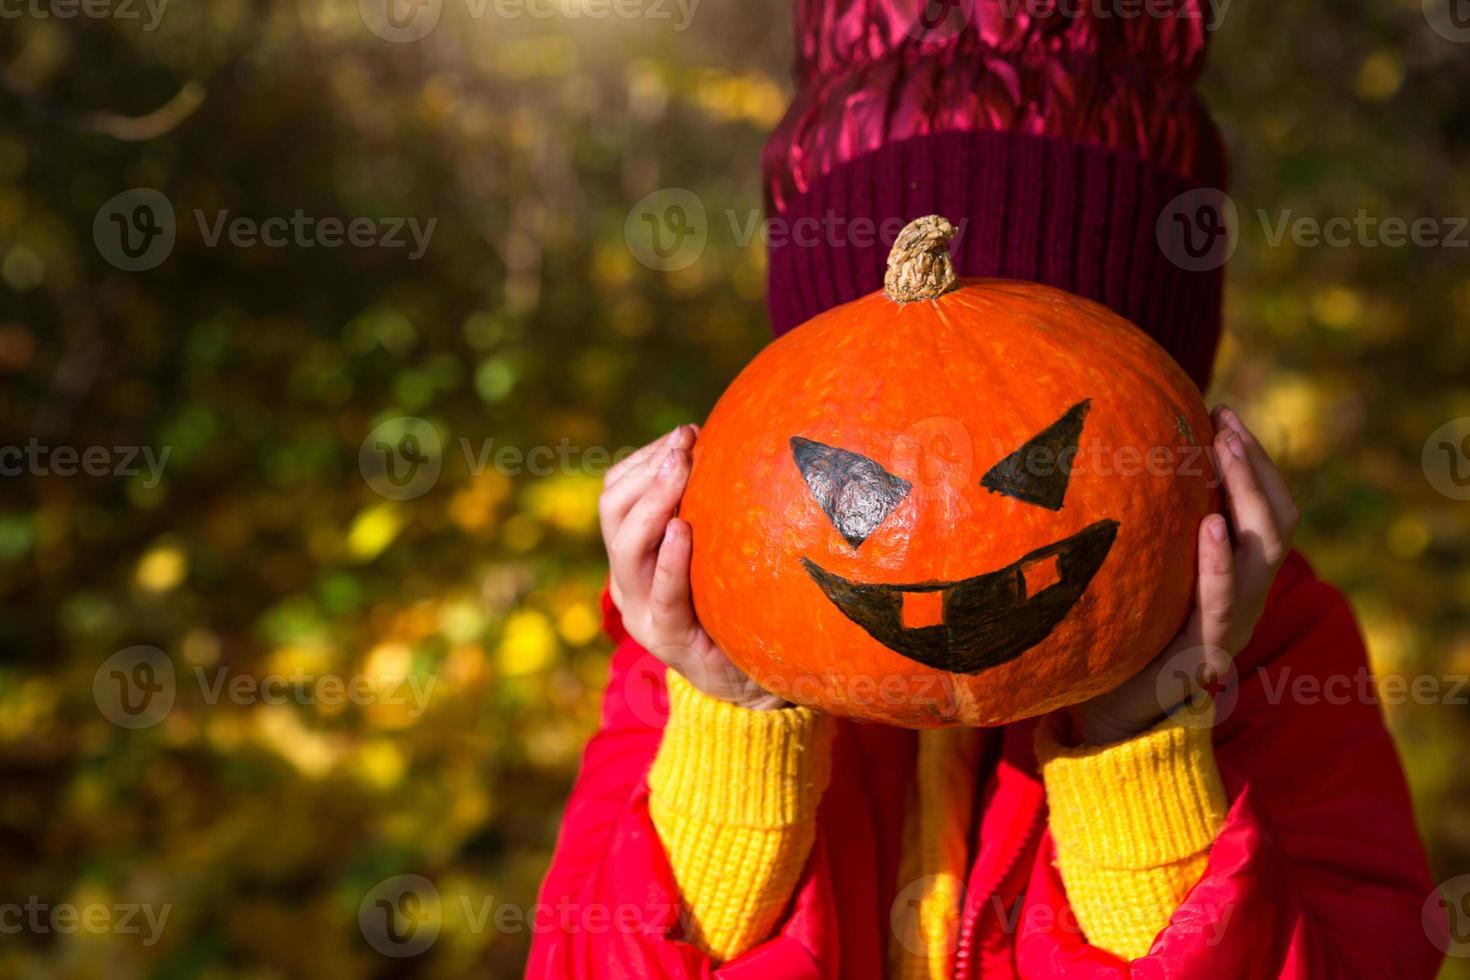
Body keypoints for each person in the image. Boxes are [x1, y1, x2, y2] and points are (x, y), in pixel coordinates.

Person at [528, 0, 1446, 975]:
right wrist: (733, 717)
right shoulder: (691, 651)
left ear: (1175, 403)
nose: (945, 521)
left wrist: (1138, 737)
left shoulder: (1274, 647)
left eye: (1039, 455)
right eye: (861, 480)